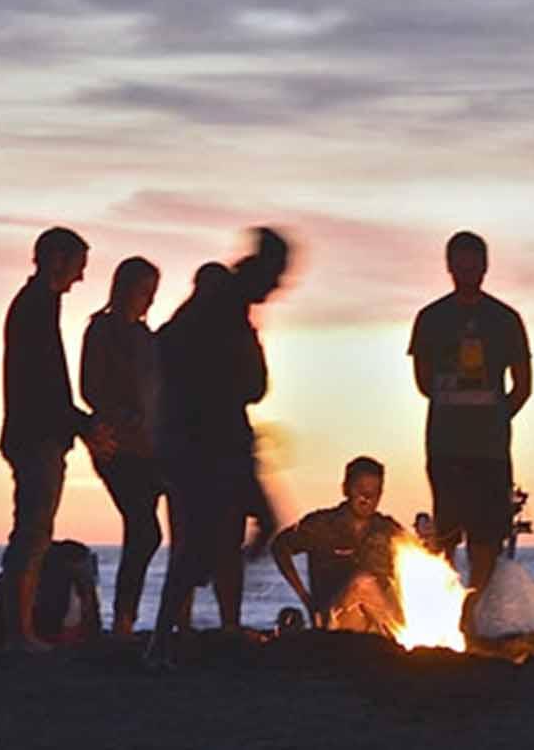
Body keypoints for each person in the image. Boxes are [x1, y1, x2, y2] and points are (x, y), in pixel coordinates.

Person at [147, 229, 290, 670]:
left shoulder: (223, 308)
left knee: (226, 536)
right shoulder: (222, 308)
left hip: (211, 440)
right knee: (207, 542)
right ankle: (165, 639)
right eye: (276, 277)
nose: (278, 288)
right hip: (208, 443)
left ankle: (175, 633)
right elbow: (250, 384)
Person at [0, 226, 116, 652]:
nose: (81, 278)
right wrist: (82, 425)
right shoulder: (34, 308)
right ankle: (20, 633)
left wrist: (78, 425)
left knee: (33, 530)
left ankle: (21, 629)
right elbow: (44, 384)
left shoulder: (38, 306)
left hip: (38, 432)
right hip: (36, 435)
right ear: (57, 260)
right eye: (78, 267)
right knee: (32, 532)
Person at [408, 231, 532, 597]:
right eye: (460, 264)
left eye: (474, 263)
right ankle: (445, 607)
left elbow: (523, 387)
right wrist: (459, 405)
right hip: (446, 445)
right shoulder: (430, 318)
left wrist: (494, 417)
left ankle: (476, 613)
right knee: (445, 532)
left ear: (485, 266)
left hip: (490, 449)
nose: (467, 271)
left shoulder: (506, 319)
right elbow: (423, 381)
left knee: (487, 536)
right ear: (449, 266)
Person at [80, 256, 163, 637]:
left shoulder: (147, 338)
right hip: (117, 444)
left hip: (150, 445)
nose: (147, 299)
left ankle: (130, 618)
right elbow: (91, 387)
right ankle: (123, 619)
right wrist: (122, 418)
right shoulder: (102, 330)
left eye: (152, 292)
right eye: (143, 290)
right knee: (144, 529)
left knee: (145, 529)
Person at [270, 456, 403, 635]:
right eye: (361, 490)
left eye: (375, 492)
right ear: (346, 489)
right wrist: (305, 598)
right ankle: (402, 638)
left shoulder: (388, 529)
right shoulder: (321, 525)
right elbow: (279, 547)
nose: (367, 498)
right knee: (363, 584)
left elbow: (418, 558)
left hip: (378, 621)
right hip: (337, 618)